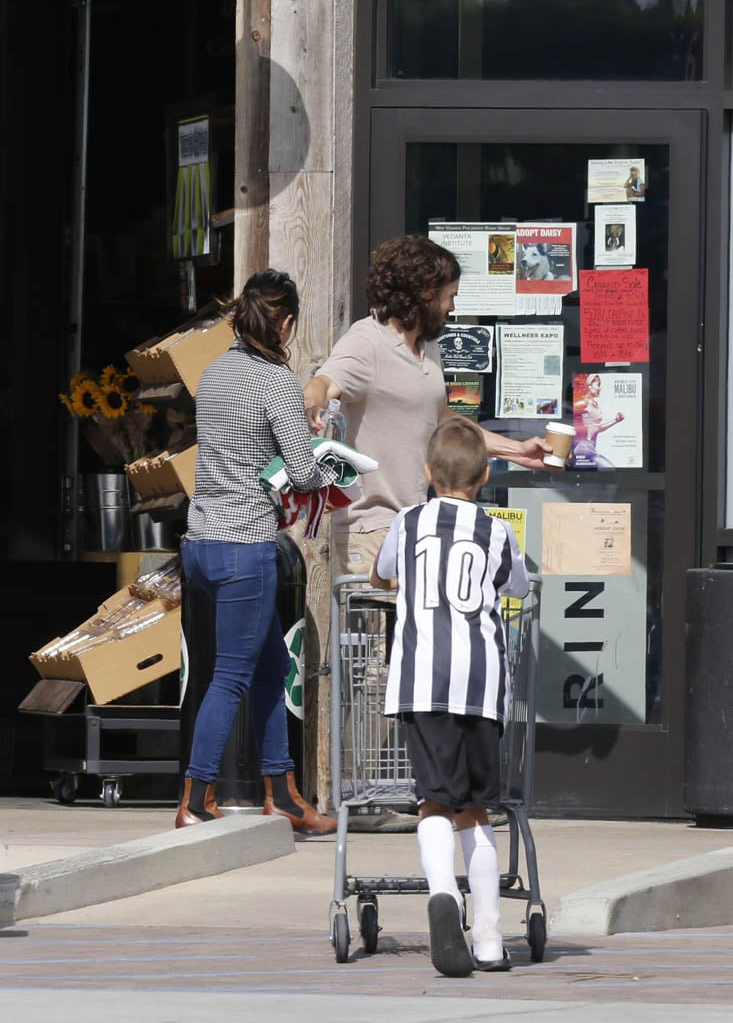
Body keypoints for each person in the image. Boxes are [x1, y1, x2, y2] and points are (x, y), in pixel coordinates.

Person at [176, 269, 337, 835]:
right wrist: (333, 455)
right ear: (286, 322)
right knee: (232, 676)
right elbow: (301, 471)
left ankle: (285, 797)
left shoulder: (214, 373)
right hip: (245, 545)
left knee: (271, 665)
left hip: (200, 543)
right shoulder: (276, 382)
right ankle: (195, 799)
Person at [369, 416, 529, 977]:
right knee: (476, 810)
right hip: (481, 686)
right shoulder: (497, 531)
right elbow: (517, 586)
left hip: (422, 681)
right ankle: (488, 937)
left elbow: (381, 575)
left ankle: (444, 896)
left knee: (433, 802)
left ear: (427, 471)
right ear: (486, 474)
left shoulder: (408, 524)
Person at [303, 234, 550, 577]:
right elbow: (324, 381)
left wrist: (516, 451)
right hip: (371, 530)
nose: (453, 307)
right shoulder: (367, 340)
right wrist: (313, 401)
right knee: (383, 632)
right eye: (450, 296)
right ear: (424, 293)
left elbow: (442, 421)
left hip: (414, 524)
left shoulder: (428, 347)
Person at [572, 372, 624, 469]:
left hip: (590, 447)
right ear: (590, 385)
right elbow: (568, 416)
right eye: (598, 384)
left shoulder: (594, 405)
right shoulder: (584, 403)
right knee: (611, 470)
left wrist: (616, 420)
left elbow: (597, 428)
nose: (600, 388)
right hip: (584, 447)